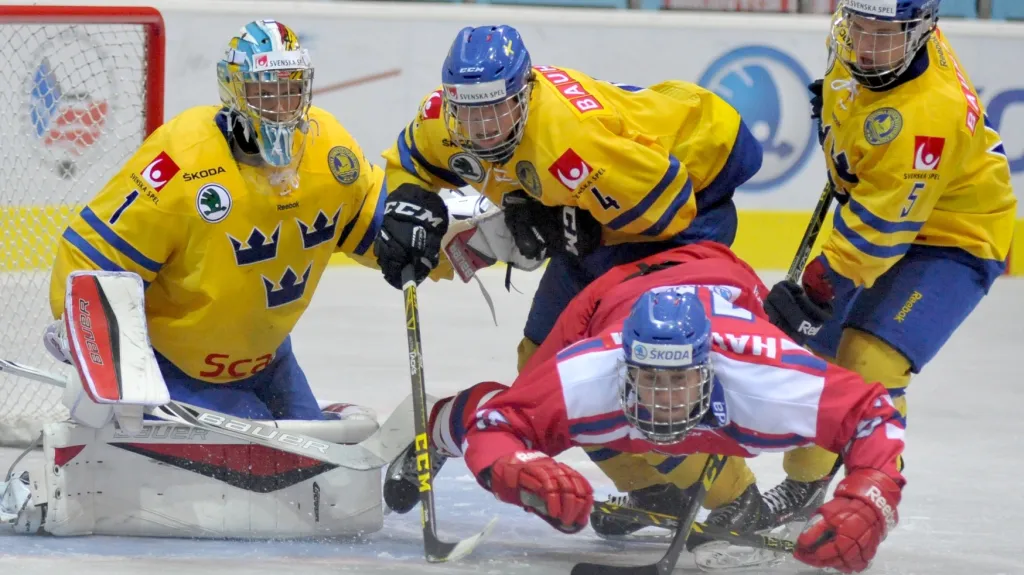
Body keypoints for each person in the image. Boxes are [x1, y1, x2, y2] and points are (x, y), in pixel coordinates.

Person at [373, 23, 763, 517]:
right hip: (609, 204)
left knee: (642, 370)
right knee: (546, 370)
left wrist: (571, 228)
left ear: (525, 93)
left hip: (690, 193)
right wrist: (408, 203)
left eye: (496, 109)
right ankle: (655, 493)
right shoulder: (443, 120)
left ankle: (740, 500)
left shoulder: (572, 139)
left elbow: (670, 207)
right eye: (470, 113)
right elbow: (408, 159)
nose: (484, 129)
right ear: (450, 104)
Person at [45, 19, 391, 421]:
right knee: (271, 454)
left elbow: (377, 219)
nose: (280, 107)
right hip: (170, 368)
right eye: (264, 91)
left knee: (318, 464)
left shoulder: (328, 145)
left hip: (269, 362)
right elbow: (98, 254)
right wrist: (82, 327)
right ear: (234, 89)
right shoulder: (182, 156)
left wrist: (425, 237)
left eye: (291, 90)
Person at [762, 0, 1016, 521]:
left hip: (954, 238)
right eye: (860, 27)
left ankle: (873, 498)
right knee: (823, 361)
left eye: (887, 34)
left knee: (869, 361)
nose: (870, 47)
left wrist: (816, 292)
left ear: (923, 31)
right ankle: (803, 489)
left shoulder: (928, 114)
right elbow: (851, 91)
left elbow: (876, 238)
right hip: (894, 211)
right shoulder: (856, 42)